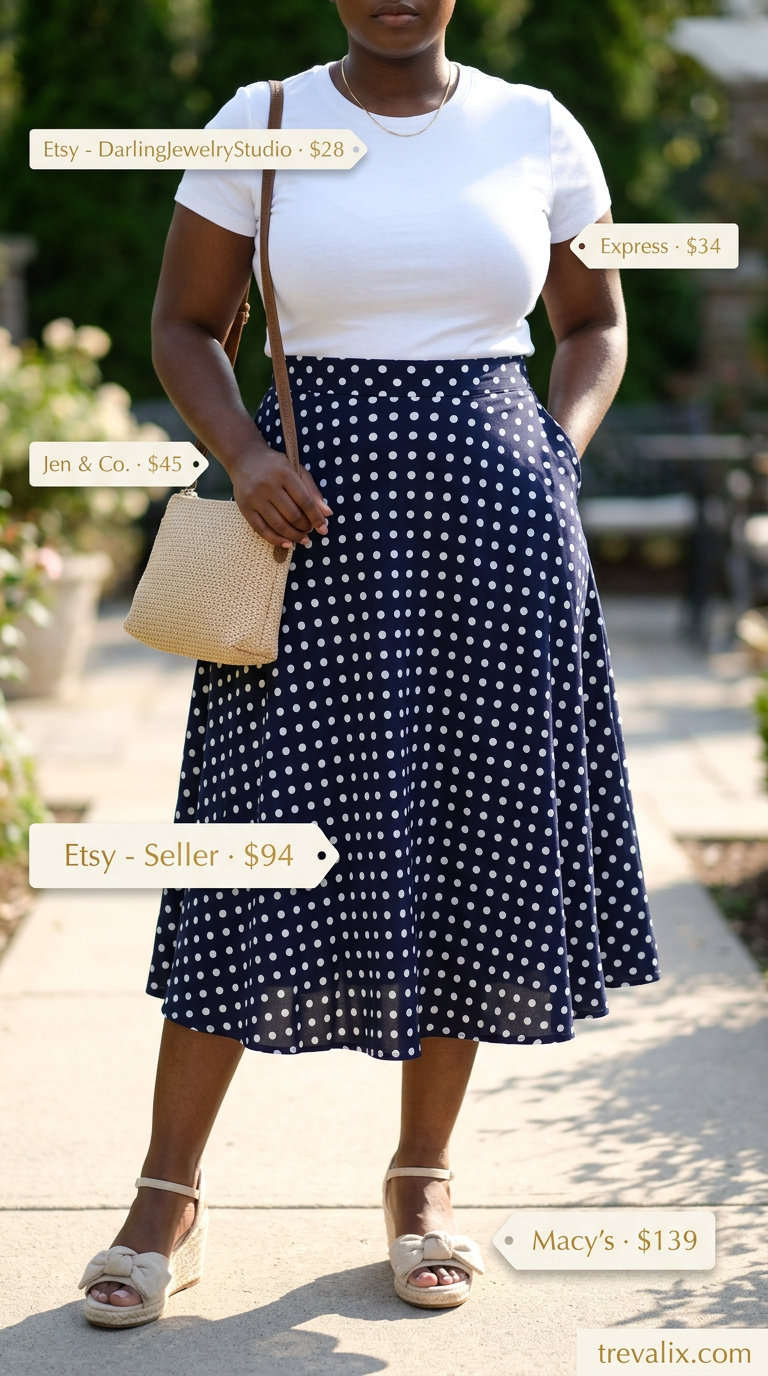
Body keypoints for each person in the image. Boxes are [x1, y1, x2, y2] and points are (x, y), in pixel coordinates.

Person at [78, 0, 660, 1324]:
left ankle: (422, 1182)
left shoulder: (539, 127)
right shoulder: (262, 119)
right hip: (304, 533)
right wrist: (245, 455)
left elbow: (595, 324)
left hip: (497, 536)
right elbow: (184, 325)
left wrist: (557, 454)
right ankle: (166, 1197)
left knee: (462, 840)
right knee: (249, 841)